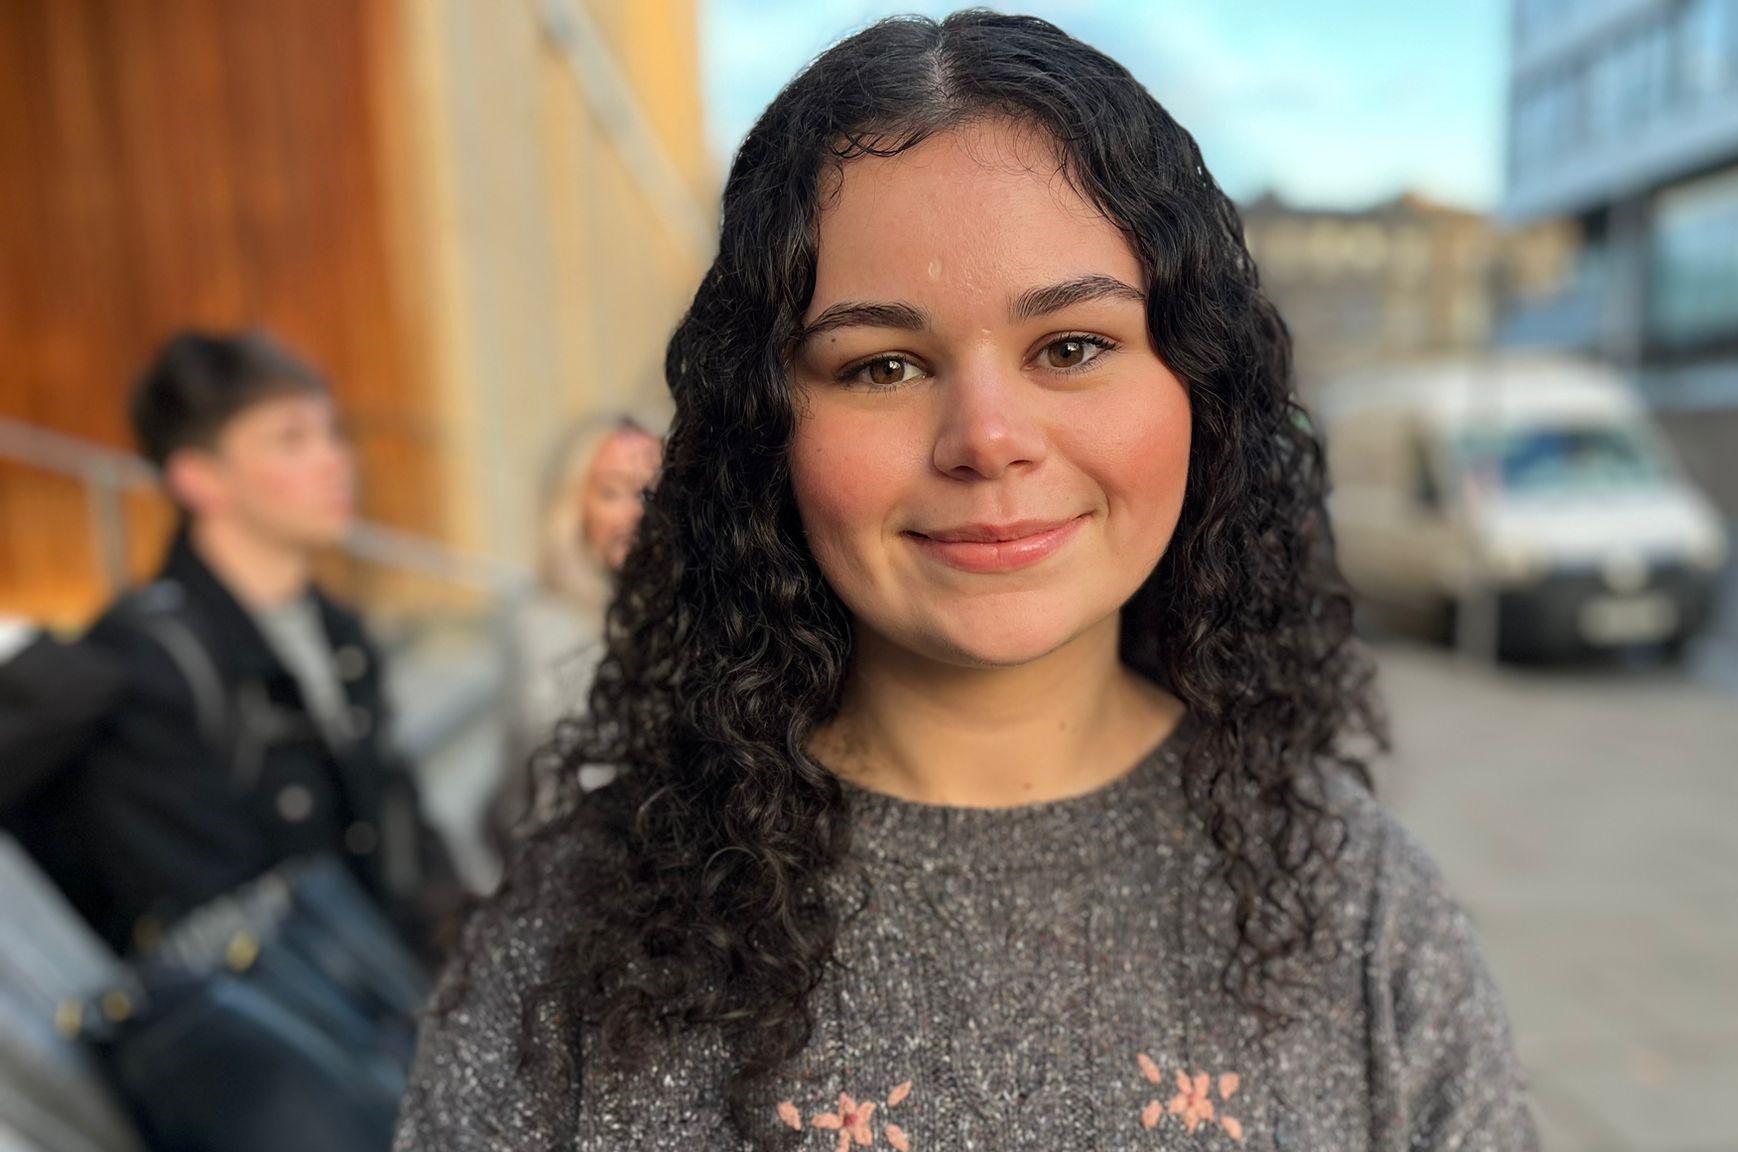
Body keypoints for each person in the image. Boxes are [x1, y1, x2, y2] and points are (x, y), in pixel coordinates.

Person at [397, 10, 1537, 1150]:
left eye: (1072, 348)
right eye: (882, 365)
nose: (987, 439)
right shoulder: (571, 938)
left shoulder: (1356, 907)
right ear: (762, 432)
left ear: (1199, 388)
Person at [11, 330, 463, 967]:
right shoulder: (146, 661)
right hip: (306, 1037)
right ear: (199, 479)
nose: (336, 460)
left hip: (391, 1009)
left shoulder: (340, 631)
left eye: (332, 433)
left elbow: (403, 839)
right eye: (291, 439)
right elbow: (222, 933)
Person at [490, 413, 662, 851]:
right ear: (575, 508)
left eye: (652, 490)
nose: (639, 512)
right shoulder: (547, 627)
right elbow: (555, 790)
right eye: (611, 493)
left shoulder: (699, 607)